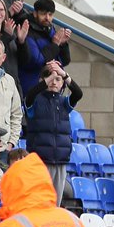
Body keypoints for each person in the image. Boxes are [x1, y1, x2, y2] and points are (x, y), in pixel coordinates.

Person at [23, 62, 82, 204]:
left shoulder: (64, 102)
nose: (54, 82)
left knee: (55, 202)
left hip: (60, 160)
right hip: (40, 160)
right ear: (42, 80)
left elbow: (78, 93)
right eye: (50, 78)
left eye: (58, 79)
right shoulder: (34, 100)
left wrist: (64, 75)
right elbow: (30, 94)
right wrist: (50, 77)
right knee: (39, 201)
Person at [18, 0, 72, 95]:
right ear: (35, 13)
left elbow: (64, 61)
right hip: (32, 89)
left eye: (50, 14)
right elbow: (36, 60)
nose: (47, 18)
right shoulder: (27, 30)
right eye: (43, 14)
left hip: (52, 90)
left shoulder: (51, 30)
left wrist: (63, 44)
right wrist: (55, 44)